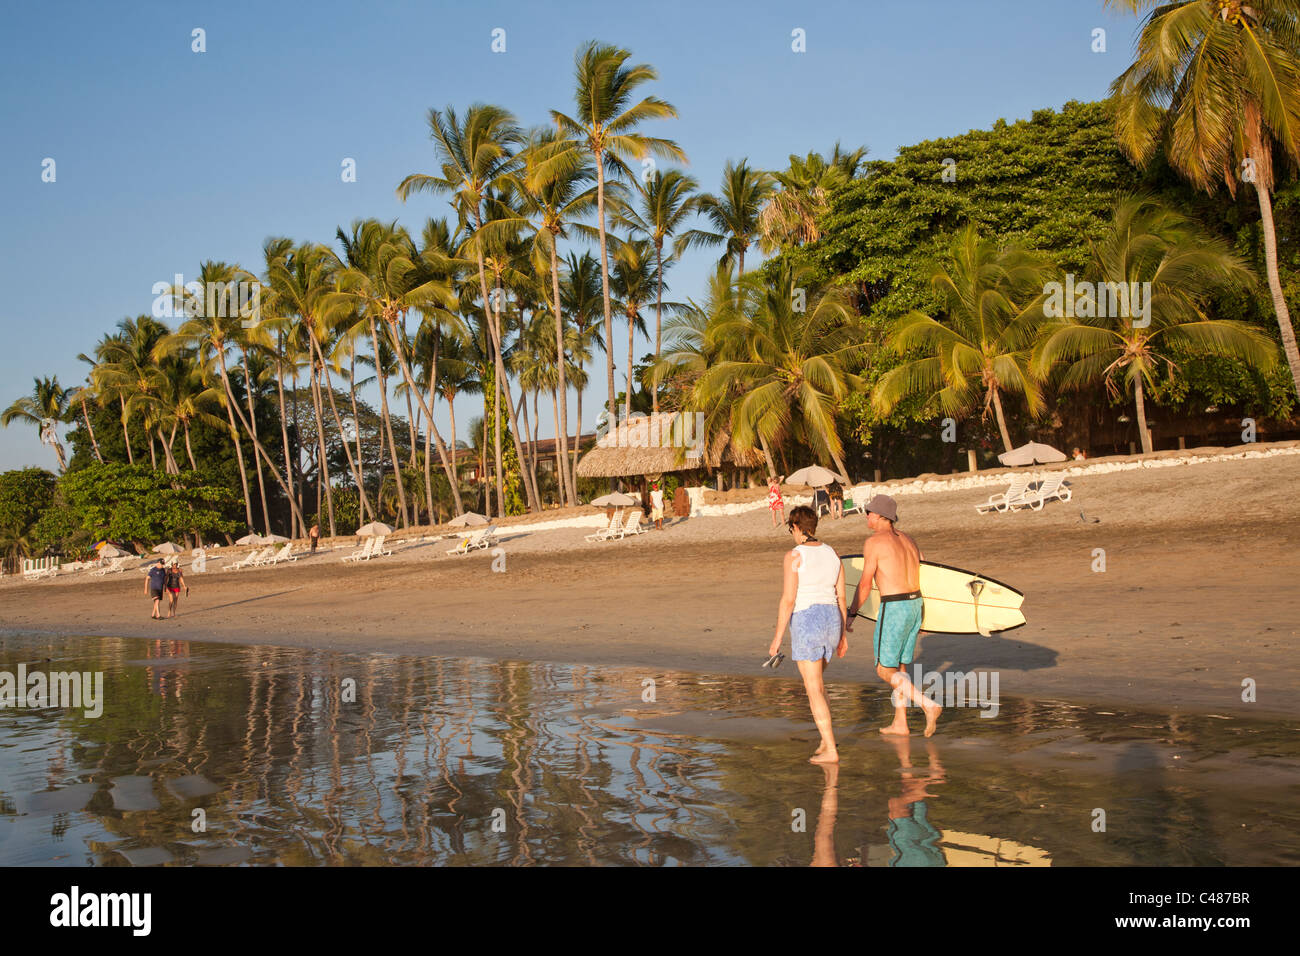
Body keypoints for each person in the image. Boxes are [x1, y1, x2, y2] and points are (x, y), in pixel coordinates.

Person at [847, 494, 941, 737]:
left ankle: (927, 705)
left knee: (883, 669)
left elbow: (866, 583)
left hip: (895, 606)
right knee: (900, 665)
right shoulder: (909, 540)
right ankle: (900, 722)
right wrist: (924, 616)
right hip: (914, 604)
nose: (866, 516)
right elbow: (926, 575)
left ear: (879, 516)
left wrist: (851, 613)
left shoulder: (875, 542)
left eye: (868, 512)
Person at [768, 505, 849, 764]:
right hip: (832, 619)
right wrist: (843, 635)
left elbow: (788, 599)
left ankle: (831, 751)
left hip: (808, 619)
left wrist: (777, 638)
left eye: (790, 529)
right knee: (818, 684)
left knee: (813, 688)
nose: (791, 534)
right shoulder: (832, 554)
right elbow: (842, 596)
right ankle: (826, 741)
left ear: (797, 528)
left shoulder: (794, 555)